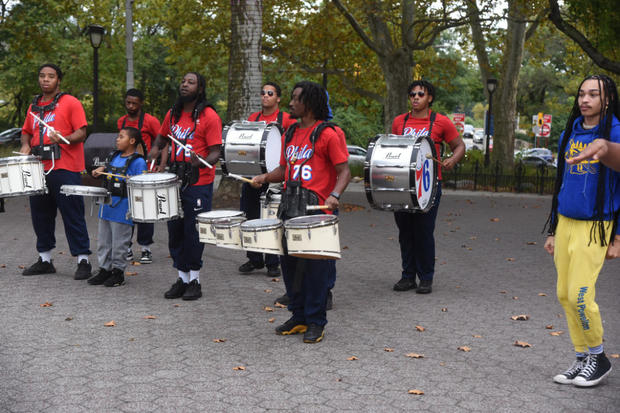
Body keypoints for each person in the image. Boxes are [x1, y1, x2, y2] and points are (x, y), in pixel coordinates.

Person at [253, 81, 351, 343]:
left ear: (309, 103)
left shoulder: (330, 134)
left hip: (317, 214)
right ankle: (298, 317)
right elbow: (284, 170)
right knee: (291, 267)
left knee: (316, 271)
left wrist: (334, 196)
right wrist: (264, 176)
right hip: (290, 207)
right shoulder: (290, 133)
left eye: (296, 98)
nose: (291, 103)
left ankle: (316, 322)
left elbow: (344, 172)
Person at [543, 74, 619, 387]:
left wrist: (618, 235)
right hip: (566, 222)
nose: (585, 100)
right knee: (564, 294)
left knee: (580, 295)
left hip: (597, 226)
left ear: (607, 100)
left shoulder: (614, 131)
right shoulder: (569, 133)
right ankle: (582, 357)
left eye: (593, 95)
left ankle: (599, 358)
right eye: (581, 94)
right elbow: (562, 183)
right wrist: (553, 229)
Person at [148, 72, 222, 301]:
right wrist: (154, 150)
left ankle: (195, 280)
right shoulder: (173, 114)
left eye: (191, 82)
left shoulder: (209, 116)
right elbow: (162, 139)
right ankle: (182, 277)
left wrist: (200, 162)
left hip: (198, 182)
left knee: (193, 232)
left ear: (200, 89)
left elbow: (215, 153)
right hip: (174, 178)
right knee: (175, 230)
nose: (185, 85)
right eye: (183, 81)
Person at [391, 80, 465, 294]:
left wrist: (452, 159)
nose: (415, 97)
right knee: (405, 232)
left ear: (429, 98)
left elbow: (459, 145)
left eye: (420, 94)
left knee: (423, 232)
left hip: (428, 186)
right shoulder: (399, 122)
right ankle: (407, 277)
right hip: (402, 185)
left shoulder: (441, 122)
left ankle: (426, 278)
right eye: (412, 94)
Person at [19, 63, 92, 280]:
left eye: (50, 76)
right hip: (38, 167)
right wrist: (25, 145)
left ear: (58, 80)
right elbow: (26, 132)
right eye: (42, 76)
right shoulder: (33, 106)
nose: (45, 80)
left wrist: (64, 138)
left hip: (65, 167)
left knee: (73, 214)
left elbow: (82, 132)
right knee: (40, 214)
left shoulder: (70, 102)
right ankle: (45, 259)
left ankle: (83, 260)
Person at [238, 82, 297, 277]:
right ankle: (254, 258)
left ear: (278, 98)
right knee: (251, 216)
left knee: (271, 219)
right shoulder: (253, 118)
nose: (265, 96)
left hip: (275, 176)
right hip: (253, 175)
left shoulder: (287, 119)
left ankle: (273, 262)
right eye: (262, 93)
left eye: (270, 93)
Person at [88, 127, 147, 287]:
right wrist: (100, 170)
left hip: (123, 208)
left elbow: (142, 183)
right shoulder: (114, 156)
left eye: (121, 137)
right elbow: (108, 168)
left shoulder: (139, 161)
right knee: (103, 242)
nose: (117, 139)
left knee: (120, 242)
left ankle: (118, 273)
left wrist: (132, 179)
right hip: (106, 205)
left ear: (132, 141)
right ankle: (104, 270)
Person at [117, 88, 163, 264]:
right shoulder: (121, 121)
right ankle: (126, 247)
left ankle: (146, 248)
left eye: (134, 103)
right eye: (128, 102)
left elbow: (162, 142)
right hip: (126, 171)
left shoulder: (150, 121)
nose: (131, 106)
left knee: (145, 210)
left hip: (145, 170)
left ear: (141, 103)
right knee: (127, 209)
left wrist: (160, 164)